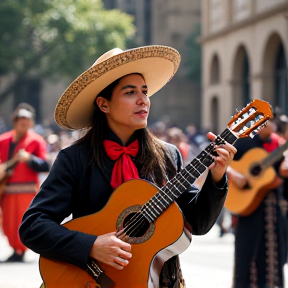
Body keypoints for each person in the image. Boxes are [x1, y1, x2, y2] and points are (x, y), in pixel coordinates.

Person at [19, 46, 236, 287]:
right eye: (130, 92)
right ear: (103, 104)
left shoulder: (167, 155)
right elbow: (33, 226)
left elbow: (198, 223)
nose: (143, 100)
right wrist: (90, 246)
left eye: (144, 91)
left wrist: (217, 177)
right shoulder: (75, 159)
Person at [227, 119, 288, 288]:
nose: (269, 126)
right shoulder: (244, 143)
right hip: (247, 208)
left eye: (271, 123)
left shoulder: (280, 145)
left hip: (273, 209)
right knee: (245, 253)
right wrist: (234, 175)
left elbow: (283, 172)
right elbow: (222, 161)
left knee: (274, 253)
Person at [0, 103, 50, 262]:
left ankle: (20, 250)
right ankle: (15, 248)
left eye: (27, 122)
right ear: (15, 122)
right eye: (21, 121)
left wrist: (29, 159)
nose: (24, 125)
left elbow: (44, 165)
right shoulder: (3, 140)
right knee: (7, 222)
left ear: (31, 123)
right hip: (6, 188)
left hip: (26, 189)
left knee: (22, 221)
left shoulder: (36, 141)